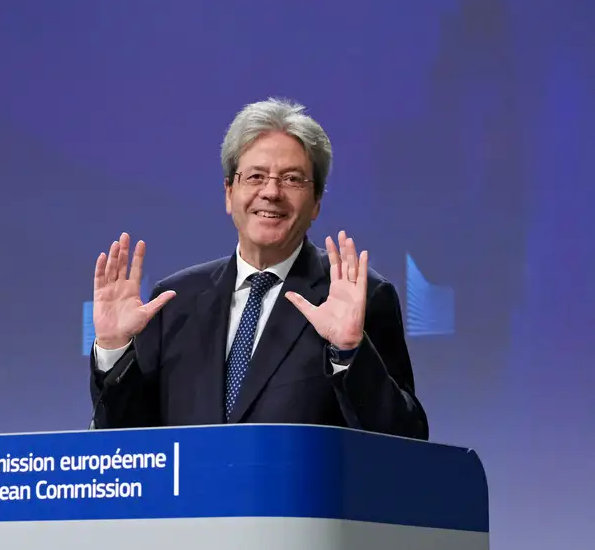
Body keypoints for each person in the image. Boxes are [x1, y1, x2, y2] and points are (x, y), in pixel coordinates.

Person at [89, 98, 427, 439]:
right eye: (255, 176)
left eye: (292, 179)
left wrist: (350, 353)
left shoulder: (361, 297)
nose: (271, 192)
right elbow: (127, 449)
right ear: (229, 193)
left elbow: (406, 439)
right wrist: (114, 348)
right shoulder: (174, 302)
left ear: (317, 203)